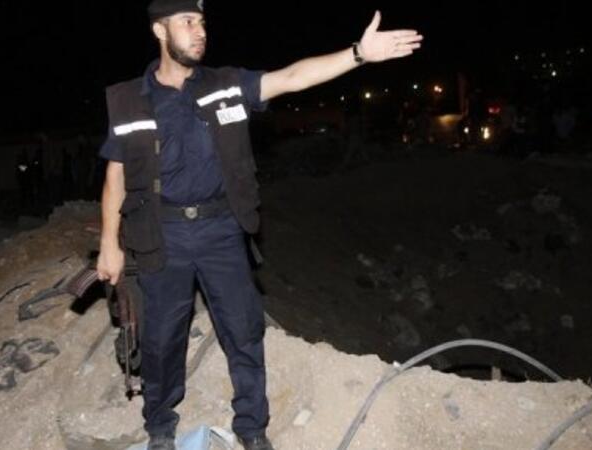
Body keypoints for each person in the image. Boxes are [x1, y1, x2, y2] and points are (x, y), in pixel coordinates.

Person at [95, 1, 422, 449]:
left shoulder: (225, 85)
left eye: (202, 22)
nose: (200, 30)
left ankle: (251, 428)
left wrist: (358, 54)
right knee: (161, 338)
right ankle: (160, 427)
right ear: (159, 30)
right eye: (188, 22)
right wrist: (109, 244)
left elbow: (291, 77)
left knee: (243, 330)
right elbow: (115, 175)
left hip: (221, 229)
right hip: (162, 234)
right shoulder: (128, 99)